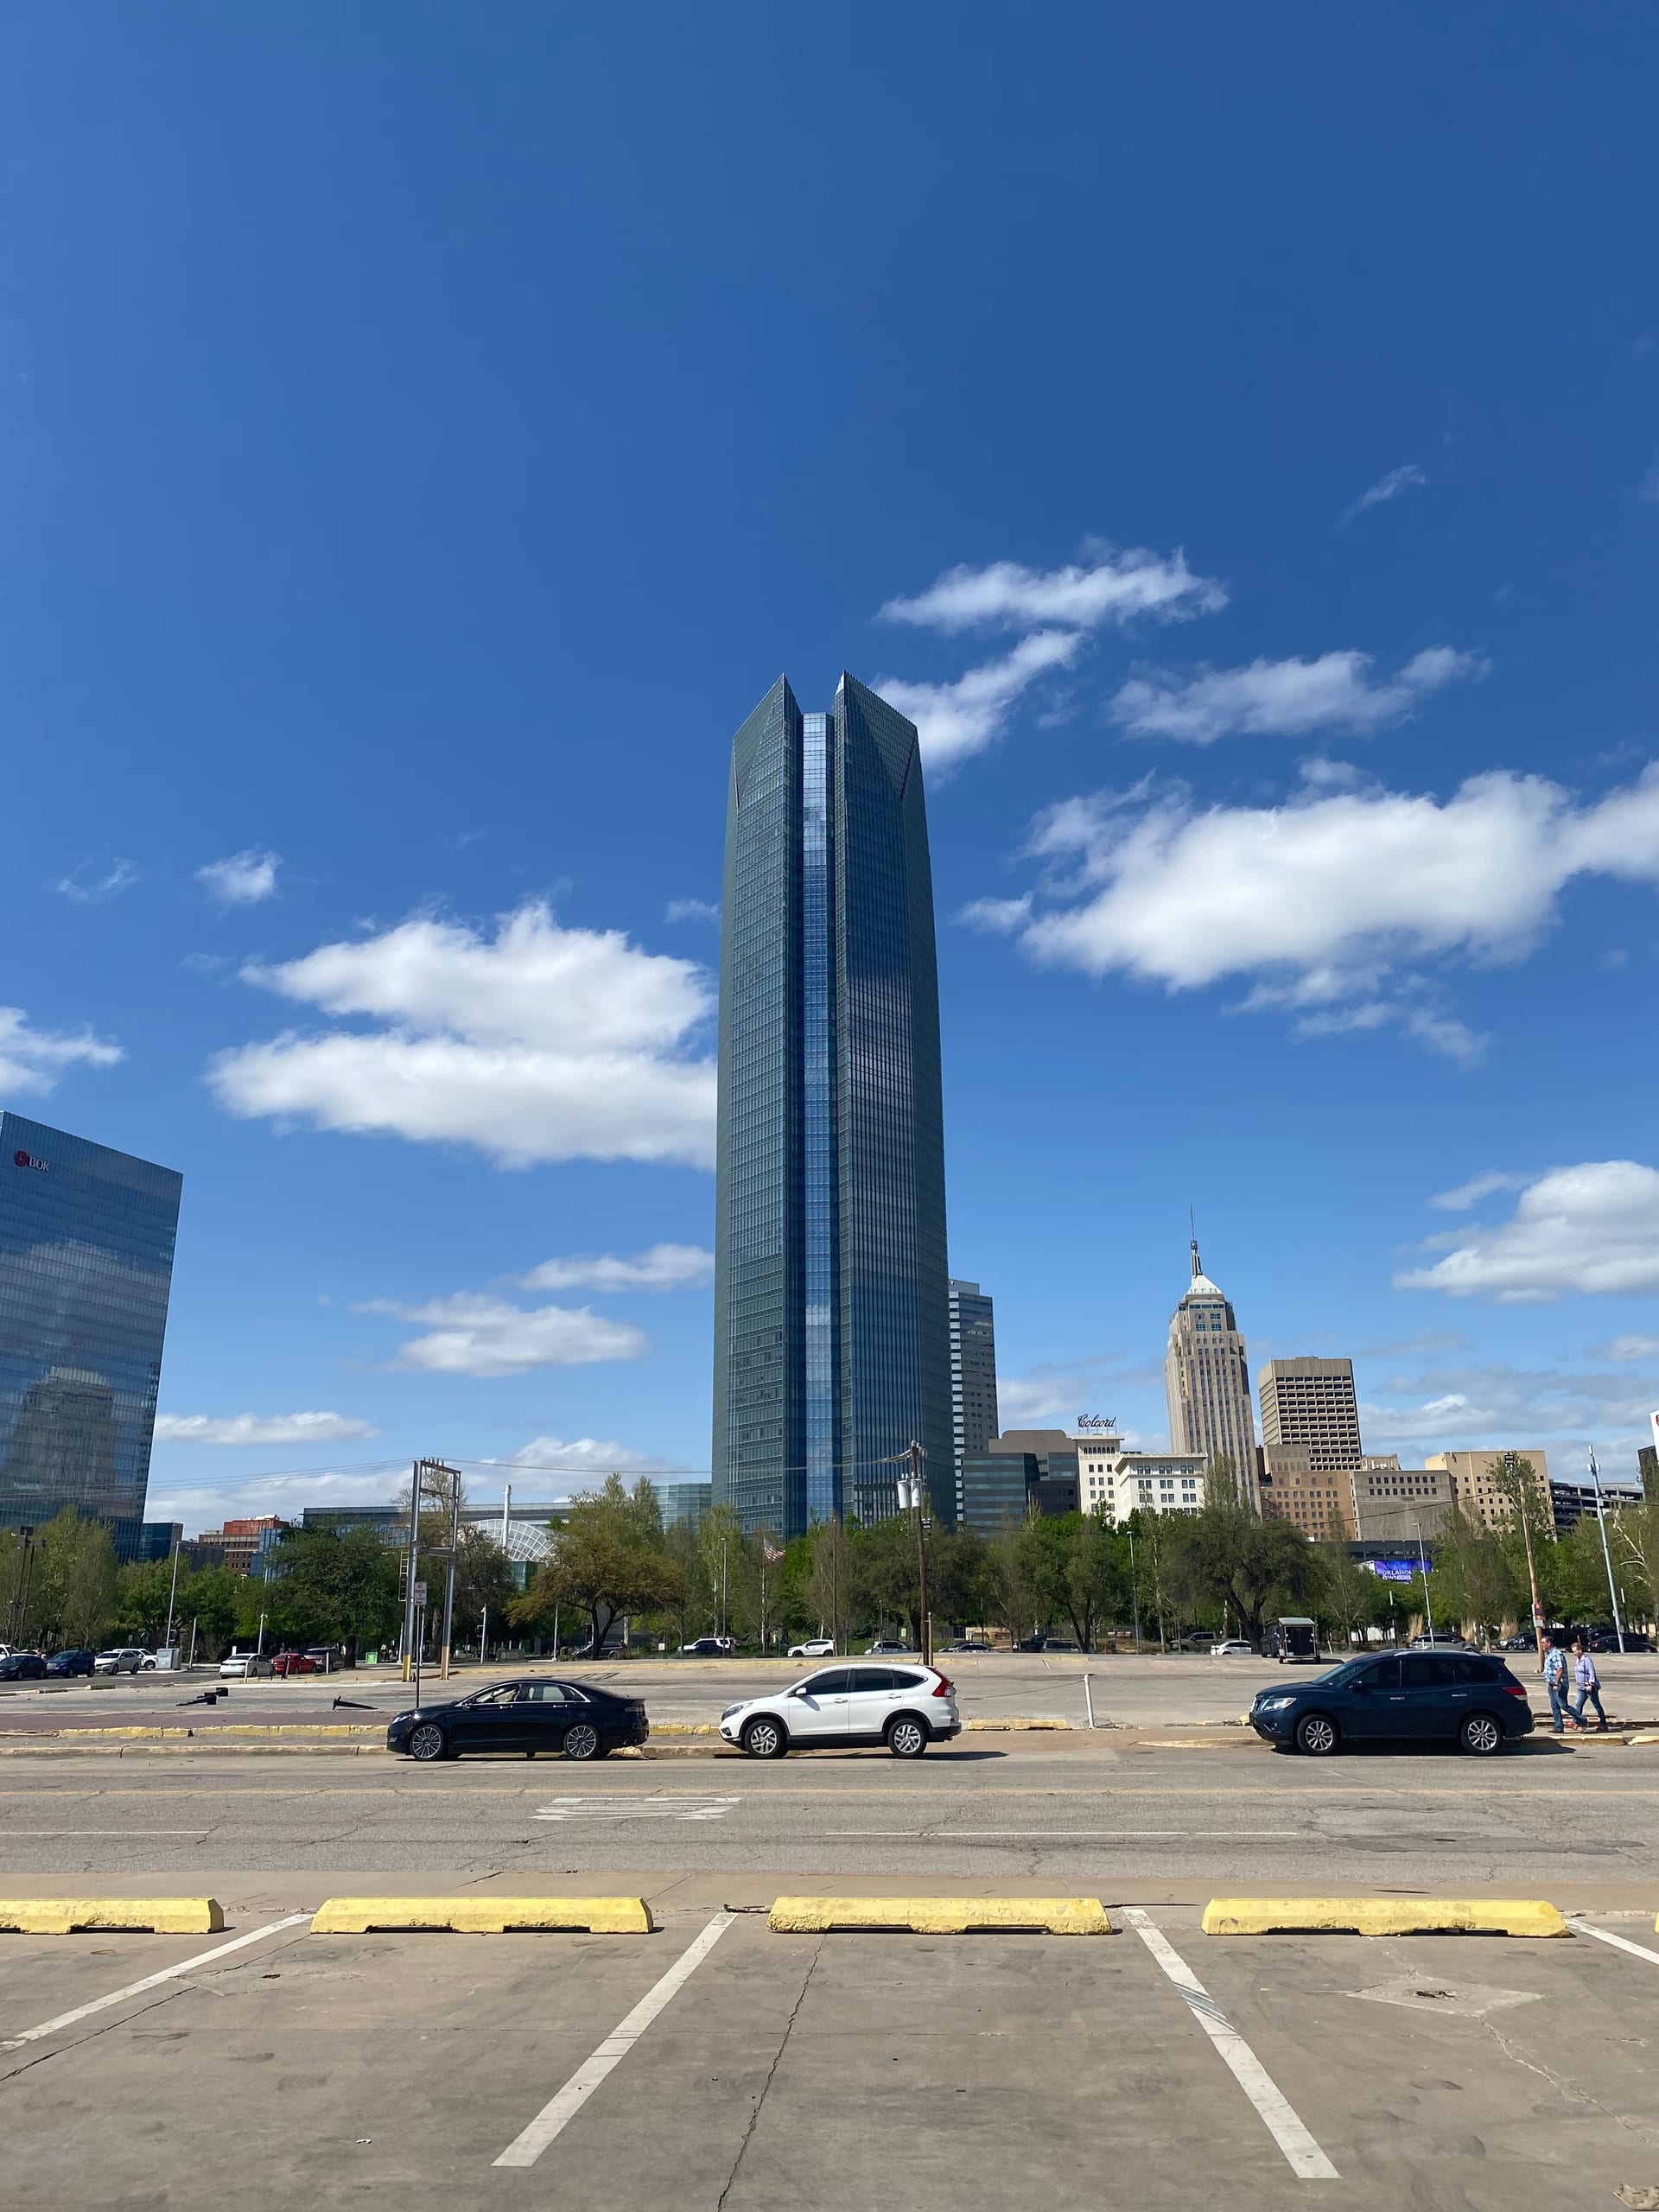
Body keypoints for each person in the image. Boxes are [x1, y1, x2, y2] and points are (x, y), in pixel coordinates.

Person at [1569, 1635, 1608, 1732]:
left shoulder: (1586, 1660)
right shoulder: (1578, 1660)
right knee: (1578, 1704)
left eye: (1575, 1651)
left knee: (1597, 1705)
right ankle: (1576, 1722)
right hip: (1581, 1687)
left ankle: (1603, 1723)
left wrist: (1590, 1684)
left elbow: (1592, 1672)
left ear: (1580, 1650)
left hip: (1590, 1687)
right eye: (1573, 1652)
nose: (1574, 1653)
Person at [1541, 1631, 1571, 1733]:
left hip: (1558, 1684)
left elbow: (1560, 1670)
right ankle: (1558, 1727)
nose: (1541, 1645)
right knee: (1554, 1706)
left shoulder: (1556, 1653)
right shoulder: (1549, 1654)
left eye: (1543, 1643)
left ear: (1549, 1644)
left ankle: (1582, 1720)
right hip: (1551, 1684)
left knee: (1563, 1705)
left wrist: (1556, 1683)